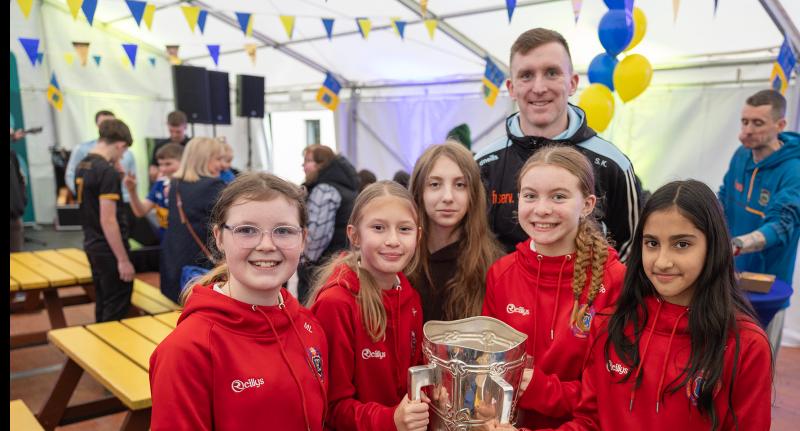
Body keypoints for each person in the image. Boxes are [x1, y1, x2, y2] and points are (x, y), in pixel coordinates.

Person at [527, 180, 773, 431]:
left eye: (682, 244)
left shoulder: (746, 344)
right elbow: (590, 423)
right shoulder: (610, 324)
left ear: (713, 247)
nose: (662, 261)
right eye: (652, 243)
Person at [150, 172, 328, 430]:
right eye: (247, 230)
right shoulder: (187, 349)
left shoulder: (310, 326)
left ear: (303, 240)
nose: (266, 244)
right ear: (220, 238)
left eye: (284, 231)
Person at [482, 146, 626, 428]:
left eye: (558, 196)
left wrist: (538, 388)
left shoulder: (614, 280)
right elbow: (490, 371)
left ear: (586, 204)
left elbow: (609, 395)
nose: (542, 209)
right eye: (530, 196)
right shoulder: (501, 274)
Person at [474, 28, 642, 261]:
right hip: (501, 296)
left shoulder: (613, 164)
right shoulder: (483, 165)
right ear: (511, 88)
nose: (539, 87)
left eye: (552, 73)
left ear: (572, 83)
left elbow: (631, 248)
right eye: (526, 75)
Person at [306, 181, 429, 431]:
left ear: (418, 234)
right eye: (378, 228)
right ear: (354, 235)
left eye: (404, 229)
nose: (393, 240)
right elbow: (330, 408)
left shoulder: (410, 297)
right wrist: (391, 419)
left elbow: (412, 379)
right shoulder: (337, 304)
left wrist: (428, 396)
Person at [718, 89, 800, 350]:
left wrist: (736, 244)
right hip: (728, 280)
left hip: (768, 291)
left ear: (780, 125)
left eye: (758, 123)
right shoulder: (740, 155)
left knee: (758, 367)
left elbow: (782, 225)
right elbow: (723, 197)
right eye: (745, 122)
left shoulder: (793, 170)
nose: (748, 130)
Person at [408, 141, 503, 322]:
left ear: (473, 194)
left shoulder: (492, 265)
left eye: (460, 185)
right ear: (419, 192)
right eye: (435, 184)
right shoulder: (399, 257)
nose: (448, 197)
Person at [75, 119, 136, 322]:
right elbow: (108, 220)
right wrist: (123, 260)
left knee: (102, 300)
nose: (122, 156)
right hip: (108, 247)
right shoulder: (106, 172)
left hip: (91, 242)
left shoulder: (83, 163)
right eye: (123, 151)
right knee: (117, 305)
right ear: (120, 145)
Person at [160, 137, 226, 302]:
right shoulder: (213, 186)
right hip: (200, 266)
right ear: (205, 158)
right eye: (218, 159)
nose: (222, 165)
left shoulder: (176, 183)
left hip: (176, 262)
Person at [297, 144, 359, 304]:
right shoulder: (345, 186)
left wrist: (304, 262)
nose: (303, 165)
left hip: (322, 270)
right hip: (342, 263)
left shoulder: (324, 190)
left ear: (321, 164)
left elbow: (317, 237)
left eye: (308, 160)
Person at [65, 110, 137, 205]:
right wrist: (85, 196)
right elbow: (71, 176)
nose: (108, 128)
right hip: (96, 203)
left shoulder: (127, 154)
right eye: (104, 124)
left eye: (112, 124)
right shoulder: (82, 150)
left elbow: (131, 179)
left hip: (121, 201)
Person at [124, 143, 183, 241]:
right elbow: (141, 211)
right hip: (166, 241)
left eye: (168, 164)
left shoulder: (191, 186)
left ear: (183, 162)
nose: (163, 169)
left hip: (184, 242)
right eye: (160, 164)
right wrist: (132, 191)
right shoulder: (160, 184)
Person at [149, 110, 191, 182]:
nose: (174, 135)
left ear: (185, 126)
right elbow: (153, 169)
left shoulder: (192, 145)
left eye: (178, 132)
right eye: (171, 131)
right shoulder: (160, 146)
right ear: (167, 125)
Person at [10, 118, 27, 252]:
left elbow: (20, 180)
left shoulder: (12, 155)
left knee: (18, 261)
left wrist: (20, 202)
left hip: (14, 217)